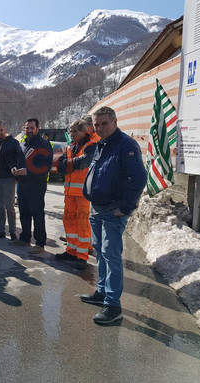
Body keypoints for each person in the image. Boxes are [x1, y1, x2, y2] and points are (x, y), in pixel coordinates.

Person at [80, 106, 146, 324]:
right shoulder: (103, 144)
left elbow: (138, 178)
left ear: (115, 122)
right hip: (97, 208)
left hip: (112, 210)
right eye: (97, 125)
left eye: (104, 123)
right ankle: (102, 292)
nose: (100, 128)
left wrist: (125, 207)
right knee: (99, 251)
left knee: (111, 255)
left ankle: (113, 305)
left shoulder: (125, 145)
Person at [55, 119, 96, 269]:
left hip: (83, 193)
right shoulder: (71, 147)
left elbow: (84, 162)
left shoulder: (91, 146)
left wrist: (68, 164)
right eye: (71, 131)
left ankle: (82, 256)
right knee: (69, 221)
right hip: (70, 192)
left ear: (83, 131)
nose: (72, 134)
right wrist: (70, 164)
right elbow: (60, 165)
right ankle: (71, 251)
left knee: (82, 224)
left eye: (75, 131)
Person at [10, 118, 53, 254]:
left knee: (37, 214)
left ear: (37, 129)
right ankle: (25, 238)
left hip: (37, 185)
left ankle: (40, 243)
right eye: (26, 128)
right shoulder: (22, 144)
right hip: (23, 185)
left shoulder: (44, 145)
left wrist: (28, 171)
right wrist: (14, 169)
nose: (29, 130)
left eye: (31, 128)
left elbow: (45, 166)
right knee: (24, 212)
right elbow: (17, 161)